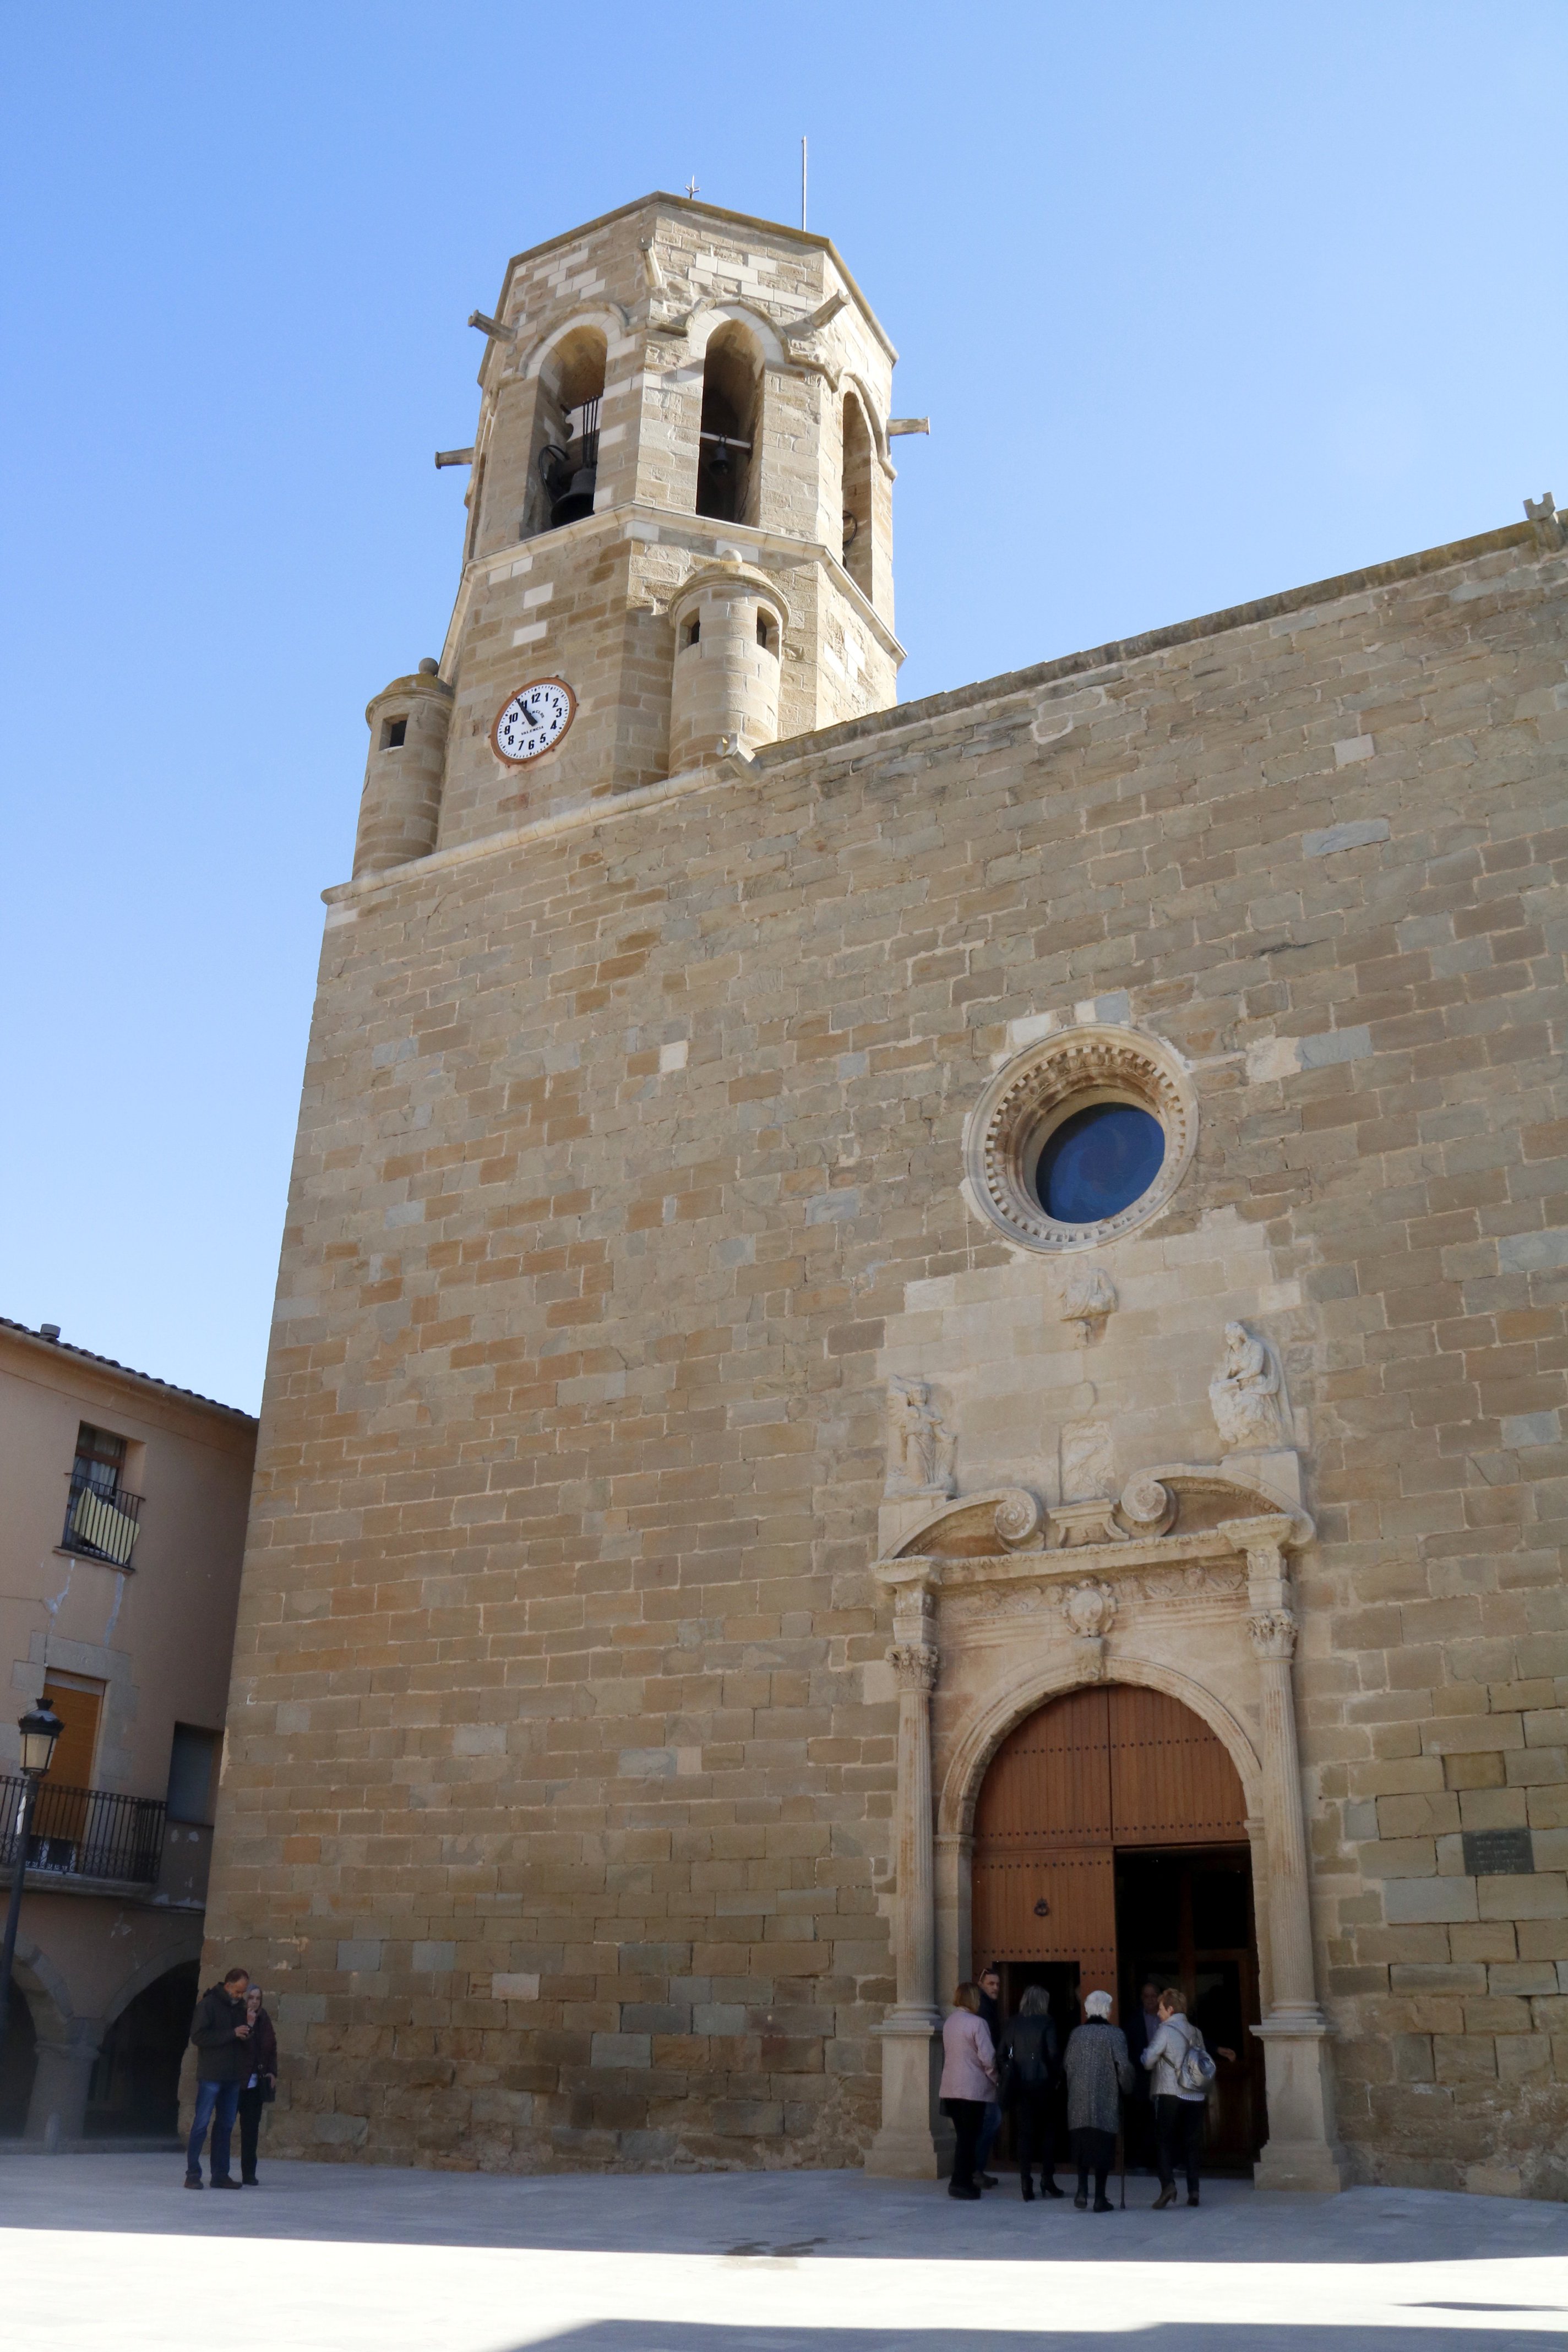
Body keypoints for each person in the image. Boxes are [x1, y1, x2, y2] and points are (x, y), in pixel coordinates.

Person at [1141, 1986, 1234, 2208]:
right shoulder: (1196, 2032)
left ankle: (1168, 2185)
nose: (1159, 2012)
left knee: (1164, 2140)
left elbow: (1148, 2061)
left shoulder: (1165, 2030)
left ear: (1170, 2009)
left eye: (1162, 2008)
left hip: (1169, 2092)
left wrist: (1144, 2054)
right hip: (1195, 2095)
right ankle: (1194, 2191)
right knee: (1191, 2144)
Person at [1062, 1988, 1133, 2212]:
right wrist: (1128, 2087)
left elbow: (1067, 2064)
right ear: (1106, 2010)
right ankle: (1100, 2198)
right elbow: (1123, 2067)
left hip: (1079, 2098)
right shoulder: (1116, 2035)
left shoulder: (1076, 2034)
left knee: (1082, 2144)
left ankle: (1082, 2189)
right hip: (1105, 2100)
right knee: (1103, 2147)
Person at [185, 1965, 252, 2189]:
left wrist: (245, 2034)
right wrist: (232, 2034)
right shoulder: (208, 2005)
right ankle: (193, 2174)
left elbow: (239, 2038)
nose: (240, 1996)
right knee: (201, 2124)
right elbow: (198, 2036)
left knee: (225, 2126)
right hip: (212, 2074)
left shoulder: (239, 2007)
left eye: (243, 1992)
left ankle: (220, 2174)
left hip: (232, 2076)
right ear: (229, 1985)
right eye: (239, 1991)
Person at [999, 1985, 1064, 2201]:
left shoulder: (1013, 2023)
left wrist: (1010, 2072)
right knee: (1048, 2134)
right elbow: (1053, 2054)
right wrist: (1058, 2078)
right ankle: (1047, 2179)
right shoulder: (1048, 2022)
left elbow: (1001, 2054)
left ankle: (1025, 2182)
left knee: (1024, 2135)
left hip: (1020, 2085)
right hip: (1044, 2085)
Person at [938, 1981, 998, 2201]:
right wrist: (996, 2079)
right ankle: (960, 2182)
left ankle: (961, 2179)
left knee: (963, 2137)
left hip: (951, 2088)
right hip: (972, 2090)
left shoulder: (950, 2022)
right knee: (969, 2138)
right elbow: (988, 2057)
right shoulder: (978, 2023)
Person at [236, 1982, 278, 2186]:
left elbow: (271, 2046)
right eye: (251, 1998)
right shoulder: (237, 2017)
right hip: (236, 2082)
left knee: (251, 2129)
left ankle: (249, 2173)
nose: (254, 2002)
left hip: (255, 2082)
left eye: (258, 1999)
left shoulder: (264, 2019)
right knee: (225, 2126)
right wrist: (250, 2024)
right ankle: (220, 2172)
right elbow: (239, 2044)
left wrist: (272, 2071)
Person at [1123, 1979, 1165, 2170]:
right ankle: (1141, 2160)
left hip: (1164, 2078)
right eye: (1146, 1996)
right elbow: (1128, 2049)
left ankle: (1163, 2161)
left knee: (1163, 2120)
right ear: (1141, 1998)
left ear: (1160, 1997)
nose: (1150, 2000)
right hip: (1141, 2079)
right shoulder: (1132, 2021)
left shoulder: (1167, 2018)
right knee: (1140, 2120)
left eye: (1154, 1995)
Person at [973, 1964, 1004, 2188]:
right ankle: (976, 2170)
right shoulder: (984, 2009)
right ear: (981, 1985)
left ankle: (976, 2170)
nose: (995, 1988)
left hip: (981, 2077)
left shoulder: (988, 2007)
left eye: (997, 1984)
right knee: (990, 2122)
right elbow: (987, 2048)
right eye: (991, 1984)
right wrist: (996, 2073)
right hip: (984, 2076)